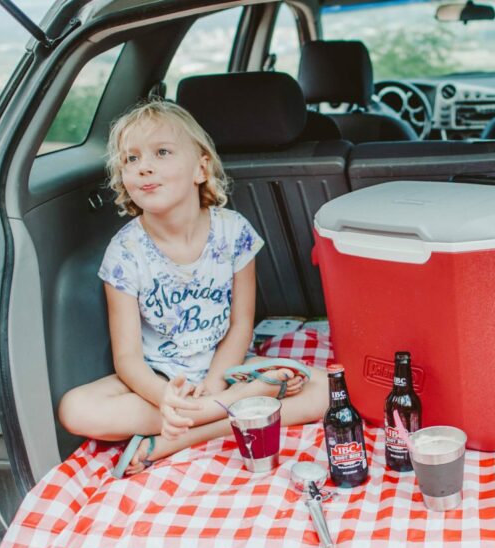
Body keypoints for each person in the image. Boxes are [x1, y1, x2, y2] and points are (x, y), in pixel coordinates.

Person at [58, 99, 327, 475]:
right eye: (130, 159)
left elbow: (240, 325)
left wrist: (216, 386)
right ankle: (239, 407)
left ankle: (180, 437)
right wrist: (165, 398)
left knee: (324, 391)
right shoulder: (125, 253)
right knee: (76, 409)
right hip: (162, 379)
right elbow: (128, 358)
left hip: (231, 369)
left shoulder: (233, 232)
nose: (144, 166)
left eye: (161, 152)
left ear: (201, 168)